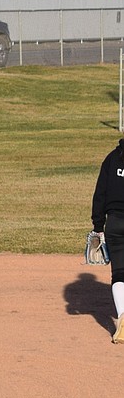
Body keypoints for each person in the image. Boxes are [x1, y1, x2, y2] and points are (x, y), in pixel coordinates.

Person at [91, 138, 124, 343]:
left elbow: (100, 194)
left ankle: (122, 321)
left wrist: (97, 226)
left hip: (114, 225)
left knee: (119, 273)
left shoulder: (112, 159)